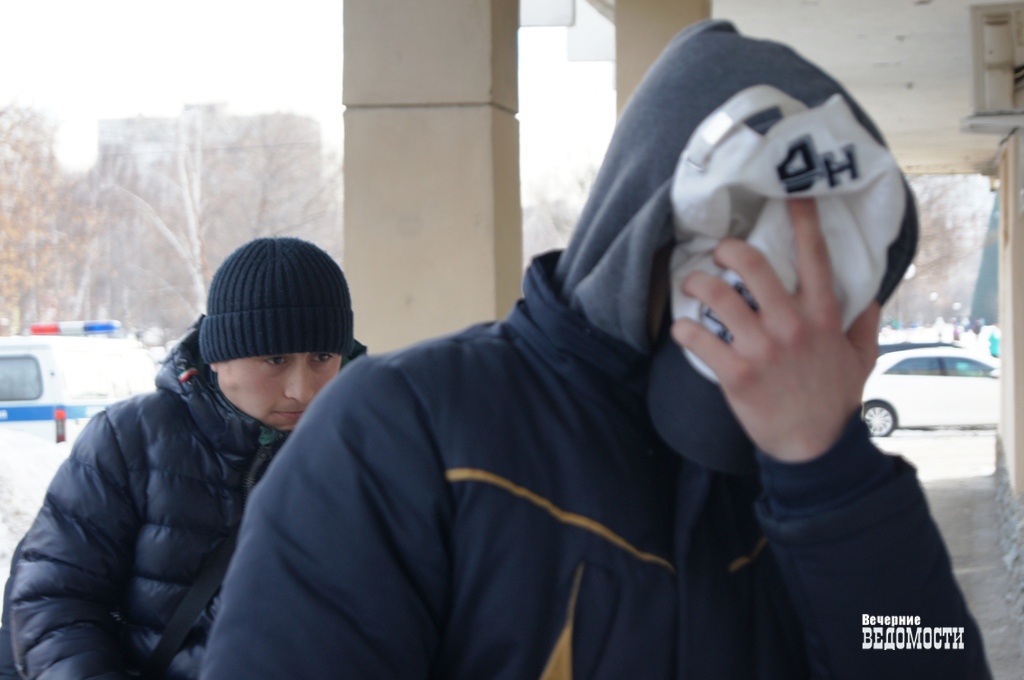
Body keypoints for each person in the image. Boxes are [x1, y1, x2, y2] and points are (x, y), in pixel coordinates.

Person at [201, 21, 991, 679]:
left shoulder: (814, 485)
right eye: (756, 273)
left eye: (823, 296)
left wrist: (830, 478)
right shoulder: (403, 431)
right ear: (646, 233)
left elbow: (923, 650)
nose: (781, 323)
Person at [5, 237, 360, 680]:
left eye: (323, 357)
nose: (301, 390)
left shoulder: (365, 452)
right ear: (218, 356)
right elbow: (54, 603)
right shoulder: (128, 441)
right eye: (275, 359)